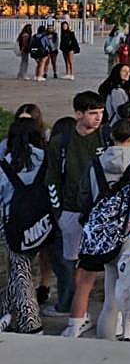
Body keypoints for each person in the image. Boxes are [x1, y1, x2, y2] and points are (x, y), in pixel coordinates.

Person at [61, 117, 130, 339]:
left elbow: (83, 198)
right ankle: (126, 333)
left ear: (111, 136)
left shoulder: (95, 164)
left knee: (110, 296)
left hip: (102, 234)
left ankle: (105, 341)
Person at [44, 90, 107, 317]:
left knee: (100, 262)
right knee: (68, 261)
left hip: (100, 211)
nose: (98, 118)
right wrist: (58, 211)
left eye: (100, 112)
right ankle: (67, 305)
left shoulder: (106, 137)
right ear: (78, 114)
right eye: (92, 113)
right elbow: (51, 178)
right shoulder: (62, 142)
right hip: (70, 210)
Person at [0, 117, 49, 334]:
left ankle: (31, 323)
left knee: (21, 271)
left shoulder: (6, 164)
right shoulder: (46, 158)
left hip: (12, 224)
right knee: (21, 269)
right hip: (42, 222)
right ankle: (4, 310)